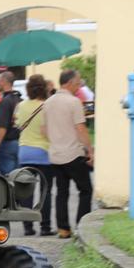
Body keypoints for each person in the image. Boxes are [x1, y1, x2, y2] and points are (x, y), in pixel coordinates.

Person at [43, 69, 93, 239]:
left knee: (61, 192)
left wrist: (55, 139)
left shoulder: (48, 102)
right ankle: (81, 226)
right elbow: (81, 128)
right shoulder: (74, 102)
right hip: (73, 153)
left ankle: (63, 228)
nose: (78, 86)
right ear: (70, 83)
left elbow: (44, 129)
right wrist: (90, 149)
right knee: (86, 190)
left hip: (55, 154)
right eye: (78, 83)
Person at [14, 74, 54, 236]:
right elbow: (48, 130)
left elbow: (17, 124)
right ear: (44, 88)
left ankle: (28, 227)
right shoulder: (47, 106)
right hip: (44, 152)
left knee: (26, 192)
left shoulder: (21, 106)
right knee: (46, 191)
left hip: (24, 152)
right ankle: (45, 227)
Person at [0, 70, 21, 177]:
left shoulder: (5, 101)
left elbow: (3, 126)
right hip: (18, 143)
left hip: (7, 144)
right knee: (17, 177)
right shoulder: (19, 99)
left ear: (4, 81)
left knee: (7, 179)